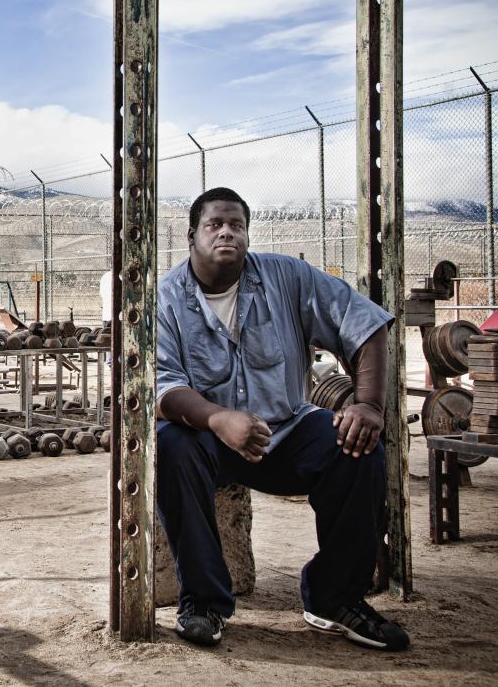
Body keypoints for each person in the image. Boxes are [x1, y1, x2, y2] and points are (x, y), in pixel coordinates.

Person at [154, 187, 409, 652]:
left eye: (237, 224)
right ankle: (204, 602)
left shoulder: (286, 276)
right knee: (171, 444)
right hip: (207, 438)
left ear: (248, 235)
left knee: (355, 448)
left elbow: (364, 323)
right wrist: (217, 419)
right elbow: (162, 387)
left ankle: (335, 598)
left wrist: (368, 404)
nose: (227, 231)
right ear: (192, 235)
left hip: (286, 428)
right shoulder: (165, 299)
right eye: (215, 224)